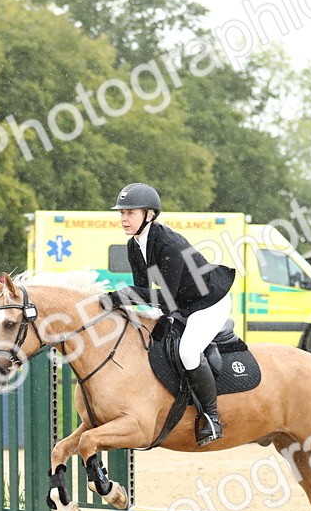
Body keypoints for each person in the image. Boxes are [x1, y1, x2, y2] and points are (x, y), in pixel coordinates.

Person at [101, 183, 236, 445]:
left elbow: (166, 298)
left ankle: (211, 417)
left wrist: (126, 294)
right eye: (122, 213)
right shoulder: (134, 245)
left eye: (130, 213)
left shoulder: (168, 244)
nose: (124, 218)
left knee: (187, 351)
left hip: (209, 301)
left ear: (149, 215)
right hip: (184, 302)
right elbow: (145, 291)